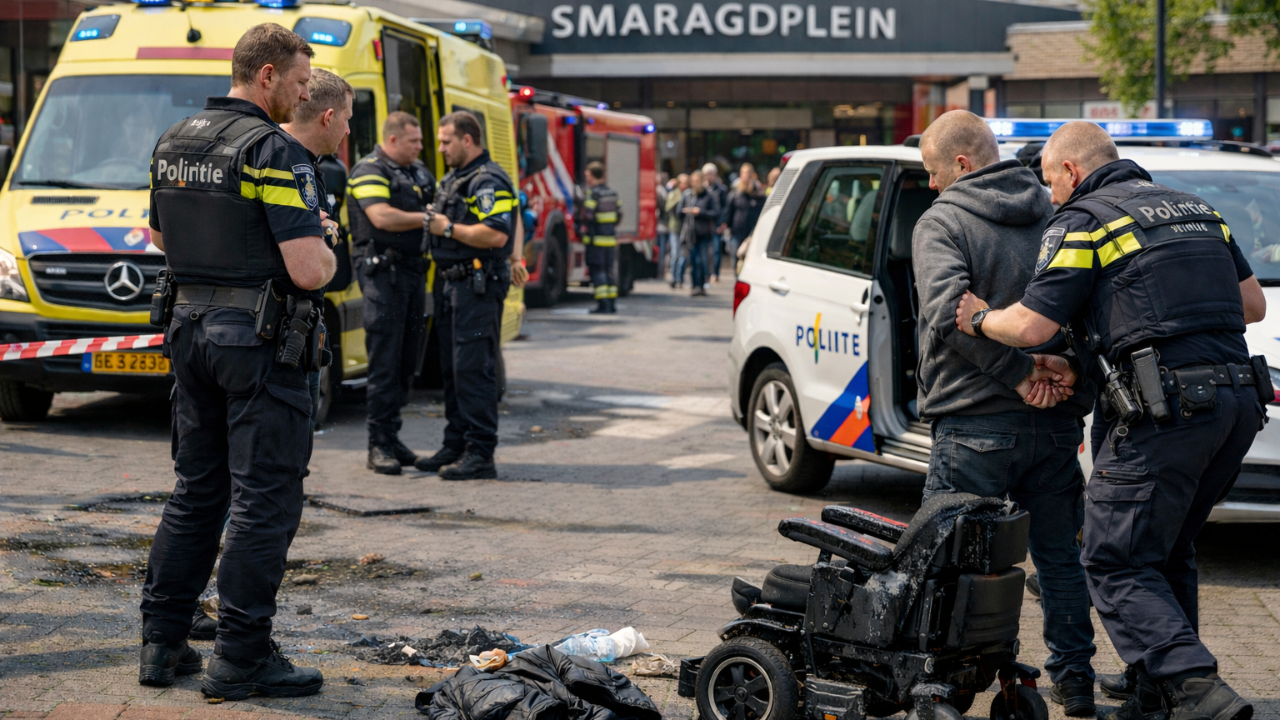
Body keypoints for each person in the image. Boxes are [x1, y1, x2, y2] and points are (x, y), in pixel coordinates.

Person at [956, 120, 1267, 720]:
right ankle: (1157, 689)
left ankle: (1195, 686)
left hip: (1169, 413)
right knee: (1167, 547)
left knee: (1112, 557)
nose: (1047, 195)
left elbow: (1030, 328)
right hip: (1236, 407)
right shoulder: (1197, 209)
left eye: (1049, 181)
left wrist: (977, 318)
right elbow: (1251, 305)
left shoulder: (1083, 220)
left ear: (1071, 171)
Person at [140, 22, 333, 699]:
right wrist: (326, 245)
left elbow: (159, 235)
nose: (303, 97)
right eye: (301, 83)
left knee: (198, 492)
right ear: (267, 76)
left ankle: (161, 647)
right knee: (263, 502)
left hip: (189, 334)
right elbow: (308, 271)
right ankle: (242, 656)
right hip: (255, 346)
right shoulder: (274, 151)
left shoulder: (173, 142)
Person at [913, 110, 1098, 716]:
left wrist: (1019, 377)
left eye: (933, 171)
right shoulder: (1057, 214)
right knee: (1059, 560)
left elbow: (951, 318)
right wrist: (1053, 372)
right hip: (1054, 427)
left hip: (972, 427)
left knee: (953, 562)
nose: (931, 185)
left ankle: (943, 682)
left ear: (962, 164)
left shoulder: (942, 221)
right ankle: (1074, 683)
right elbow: (1082, 309)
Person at [416, 111, 515, 480]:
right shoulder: (457, 178)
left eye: (446, 142)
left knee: (473, 370)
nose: (440, 148)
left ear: (468, 140)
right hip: (452, 285)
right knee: (453, 369)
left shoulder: (487, 180)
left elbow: (496, 234)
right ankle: (456, 443)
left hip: (477, 286)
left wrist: (449, 227)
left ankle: (480, 453)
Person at [346, 111, 436, 475]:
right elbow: (381, 217)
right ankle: (377, 445)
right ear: (394, 139)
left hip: (413, 274)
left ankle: (393, 437)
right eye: (414, 140)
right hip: (383, 276)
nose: (420, 146)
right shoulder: (369, 170)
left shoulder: (419, 171)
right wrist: (428, 219)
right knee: (384, 361)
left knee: (406, 362)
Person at [281, 68, 354, 424]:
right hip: (280, 332)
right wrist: (324, 235)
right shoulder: (284, 161)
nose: (348, 131)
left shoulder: (309, 166)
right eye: (347, 119)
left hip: (298, 329)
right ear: (328, 118)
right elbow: (310, 269)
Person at [579, 161, 622, 314]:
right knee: (609, 271)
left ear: (593, 176)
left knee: (597, 271)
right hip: (610, 239)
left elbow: (588, 215)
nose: (587, 178)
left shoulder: (593, 194)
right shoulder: (612, 193)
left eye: (588, 175)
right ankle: (612, 304)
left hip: (595, 240)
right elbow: (619, 215)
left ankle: (602, 304)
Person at [681, 169, 720, 296]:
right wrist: (685, 211)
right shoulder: (688, 196)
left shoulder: (708, 196)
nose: (695, 183)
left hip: (703, 234)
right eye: (693, 181)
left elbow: (715, 213)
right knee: (692, 261)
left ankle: (701, 286)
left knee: (702, 261)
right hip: (691, 234)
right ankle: (694, 285)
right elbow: (678, 211)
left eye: (697, 181)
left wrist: (700, 211)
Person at [722, 163, 765, 277]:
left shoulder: (758, 195)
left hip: (752, 234)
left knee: (750, 261)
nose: (746, 177)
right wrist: (728, 228)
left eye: (748, 174)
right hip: (736, 233)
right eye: (744, 174)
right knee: (736, 259)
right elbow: (728, 213)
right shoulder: (735, 194)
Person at [703, 162, 729, 284]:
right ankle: (706, 272)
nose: (708, 177)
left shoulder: (722, 190)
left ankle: (716, 273)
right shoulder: (702, 189)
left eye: (711, 174)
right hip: (704, 224)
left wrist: (723, 223)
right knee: (705, 251)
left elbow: (725, 208)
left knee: (716, 250)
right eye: (706, 174)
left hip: (716, 224)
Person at [668, 173, 689, 287]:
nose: (684, 185)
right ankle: (673, 277)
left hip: (686, 228)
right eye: (682, 183)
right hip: (675, 227)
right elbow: (668, 207)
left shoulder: (690, 194)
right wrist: (679, 201)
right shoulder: (674, 194)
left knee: (683, 255)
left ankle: (680, 277)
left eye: (686, 183)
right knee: (675, 253)